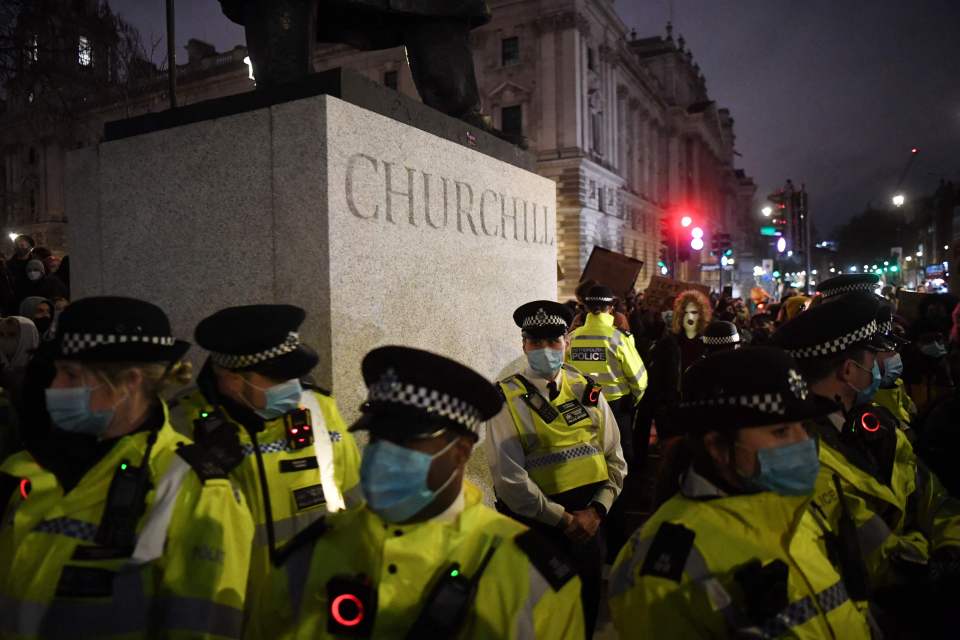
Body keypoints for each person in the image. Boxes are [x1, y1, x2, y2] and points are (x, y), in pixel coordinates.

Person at [248, 345, 584, 638]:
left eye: (408, 441)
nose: (383, 454)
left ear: (461, 451)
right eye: (378, 437)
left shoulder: (526, 574)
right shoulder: (310, 557)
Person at [0, 296, 254, 638]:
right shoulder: (36, 471)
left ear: (130, 382)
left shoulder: (191, 488)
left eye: (71, 374)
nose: (54, 387)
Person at [609, 347, 871, 639]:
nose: (804, 442)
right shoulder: (663, 567)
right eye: (781, 432)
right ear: (718, 447)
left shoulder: (796, 510)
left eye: (804, 426)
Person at [772, 292, 960, 636]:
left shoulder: (878, 426)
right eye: (873, 356)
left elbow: (935, 498)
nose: (882, 364)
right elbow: (881, 562)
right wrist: (935, 561)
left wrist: (950, 546)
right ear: (848, 369)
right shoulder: (803, 456)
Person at [168, 304, 362, 616]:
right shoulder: (181, 424)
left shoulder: (320, 409)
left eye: (295, 376)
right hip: (231, 614)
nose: (294, 389)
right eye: (278, 379)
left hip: (314, 611)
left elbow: (357, 505)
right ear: (231, 379)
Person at [487, 300, 626, 637]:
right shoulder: (505, 399)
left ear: (566, 342)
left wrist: (597, 510)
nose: (545, 349)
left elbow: (615, 459)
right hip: (538, 529)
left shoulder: (588, 390)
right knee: (539, 622)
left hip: (589, 526)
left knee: (586, 611)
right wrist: (563, 519)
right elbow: (510, 481)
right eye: (536, 341)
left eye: (553, 340)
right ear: (524, 345)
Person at [566, 284, 647, 463]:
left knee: (587, 456)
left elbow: (564, 373)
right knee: (619, 457)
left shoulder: (572, 338)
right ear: (610, 308)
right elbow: (639, 379)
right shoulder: (619, 338)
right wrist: (634, 399)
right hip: (617, 407)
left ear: (586, 308)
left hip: (582, 406)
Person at [671, 289, 711, 373]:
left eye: (694, 312)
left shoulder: (708, 344)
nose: (689, 316)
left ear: (701, 315)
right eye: (685, 313)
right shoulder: (671, 343)